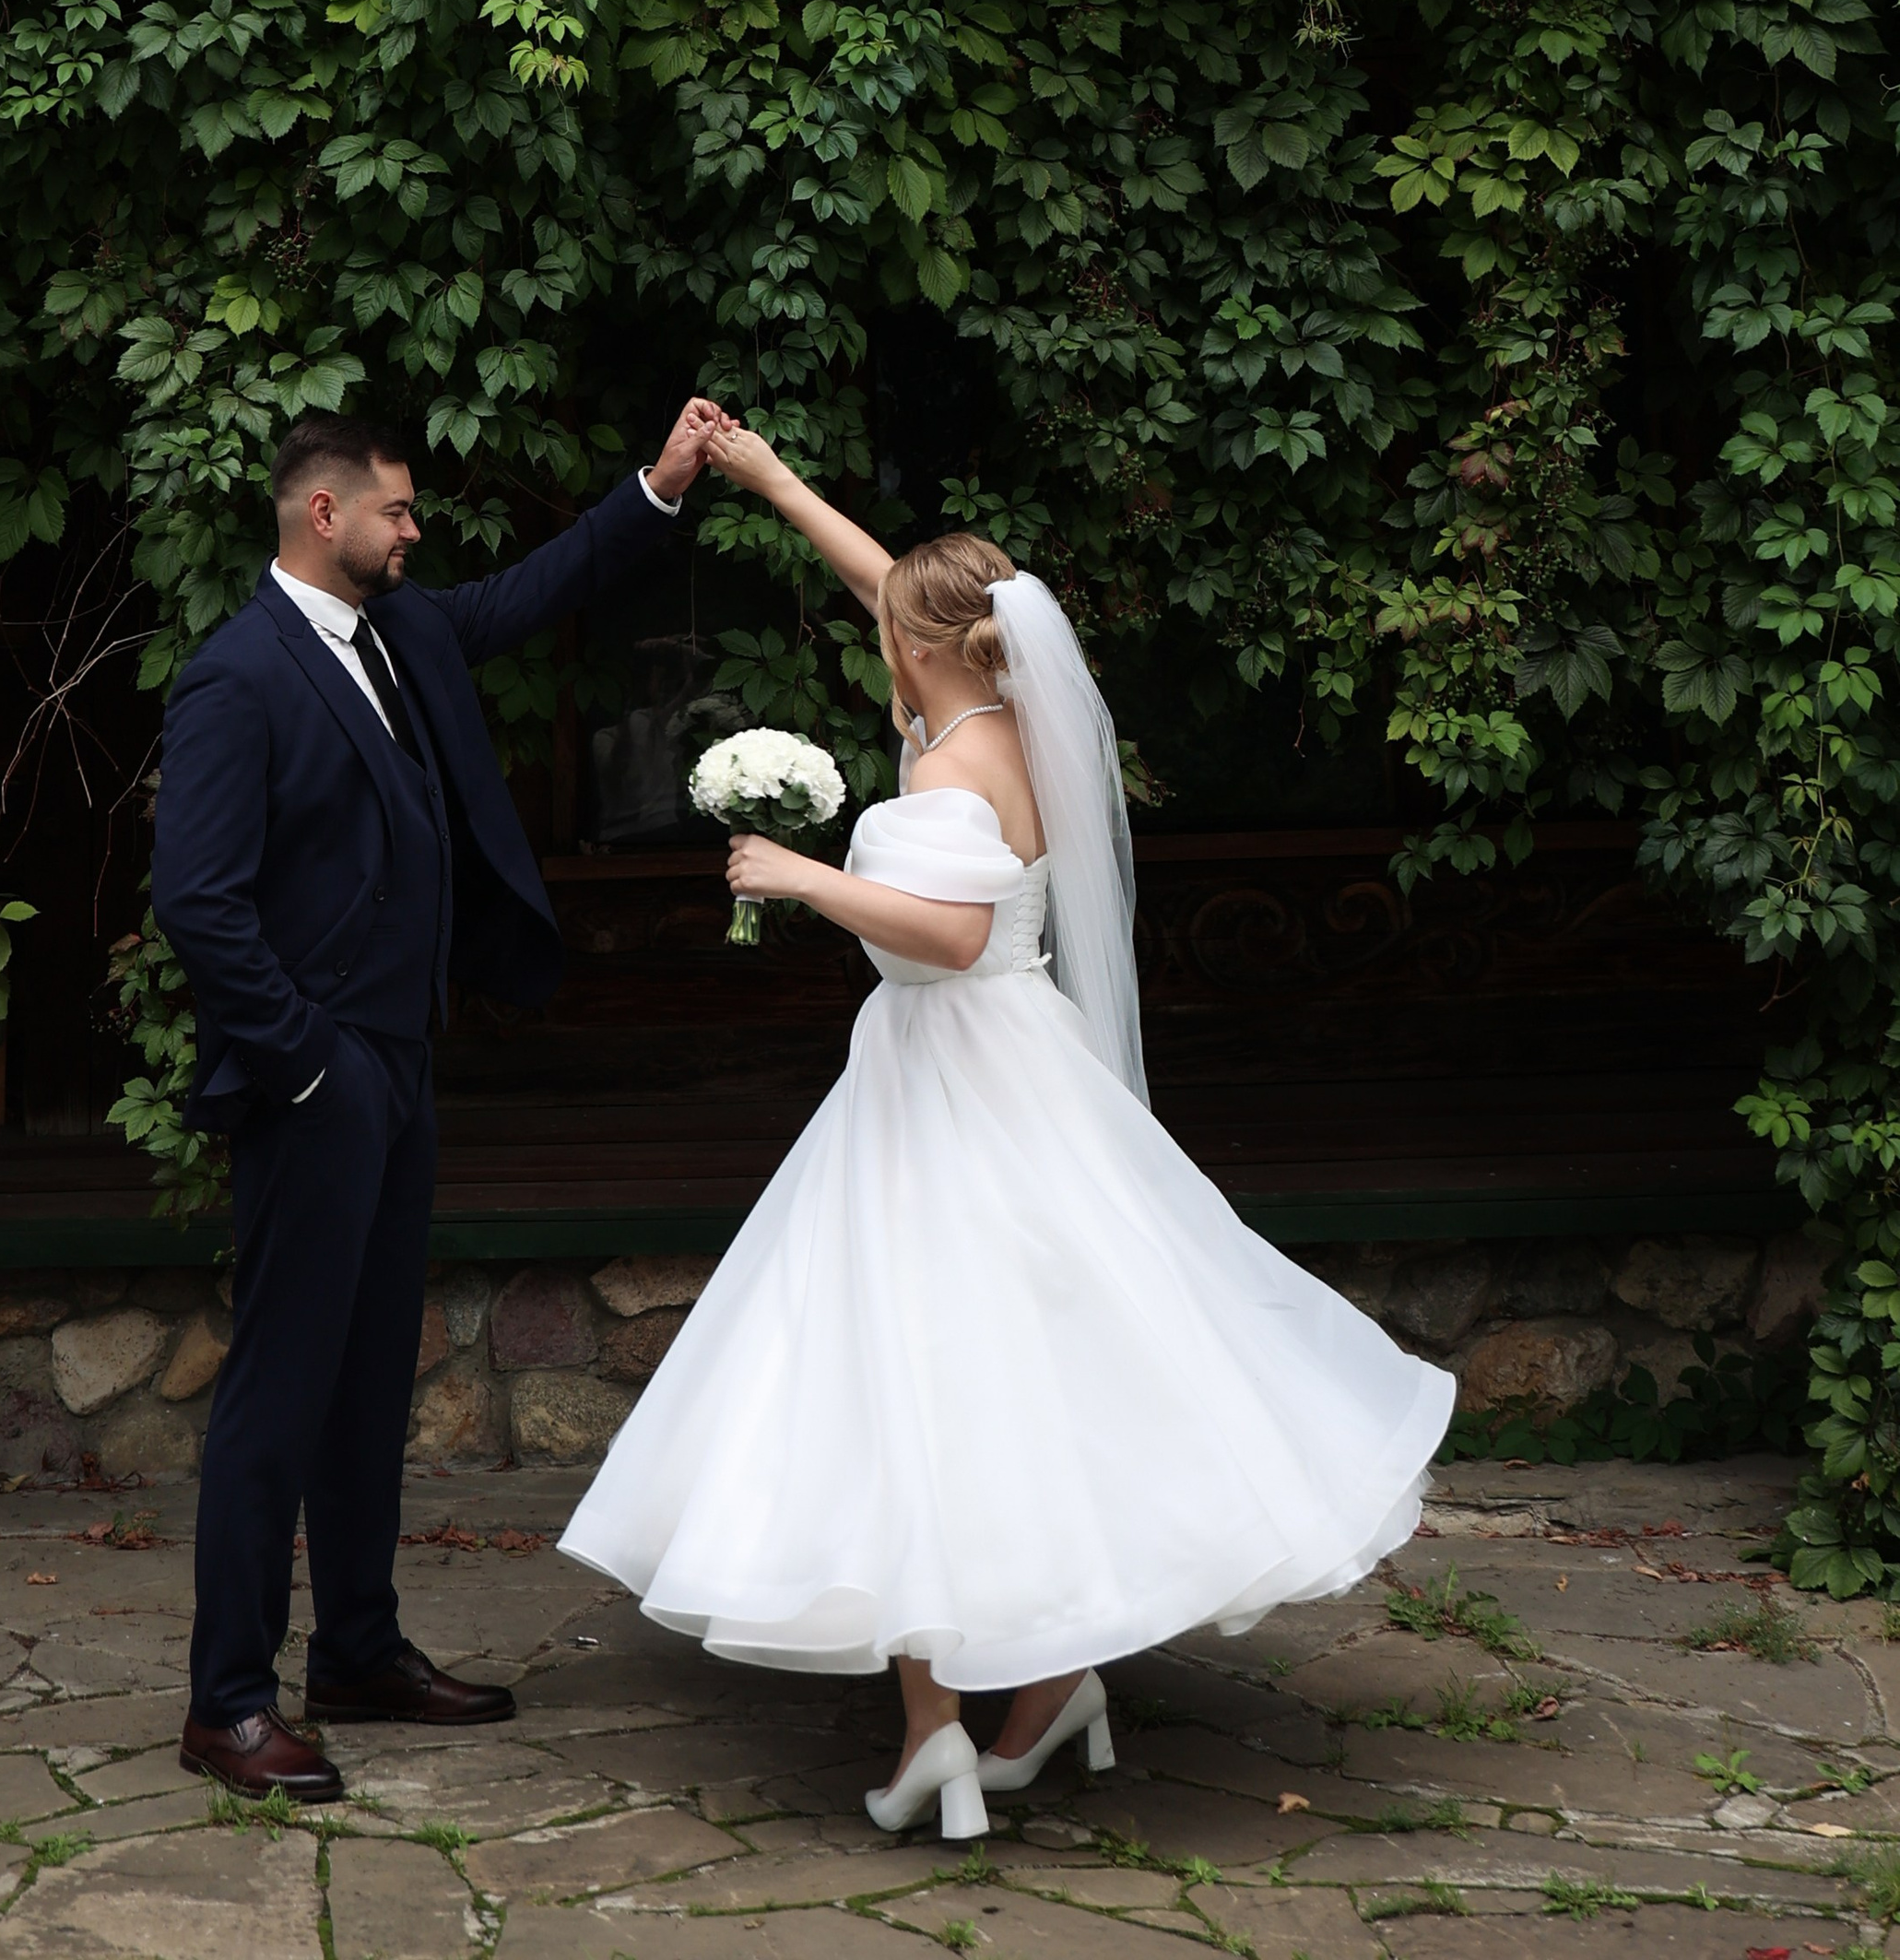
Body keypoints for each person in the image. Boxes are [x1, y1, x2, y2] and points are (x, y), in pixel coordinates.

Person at [561, 427, 1454, 1844]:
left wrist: (803, 877)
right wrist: (774, 483)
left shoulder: (943, 777)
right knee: (1022, 1367)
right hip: (1013, 1063)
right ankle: (1038, 1691)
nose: (874, 630)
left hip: (950, 1084)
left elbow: (953, 935)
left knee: (919, 1372)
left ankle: (945, 1727)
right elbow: (892, 590)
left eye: (887, 626)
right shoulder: (1011, 720)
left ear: (919, 650)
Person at [155, 397, 726, 1804]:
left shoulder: (399, 630)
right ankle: (228, 1703)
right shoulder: (237, 677)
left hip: (400, 1064)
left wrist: (656, 486)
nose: (416, 531)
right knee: (278, 1393)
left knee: (367, 1382)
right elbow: (200, 902)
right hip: (317, 1078)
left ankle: (357, 1651)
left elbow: (533, 591)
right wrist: (307, 1064)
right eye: (398, 509)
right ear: (325, 514)